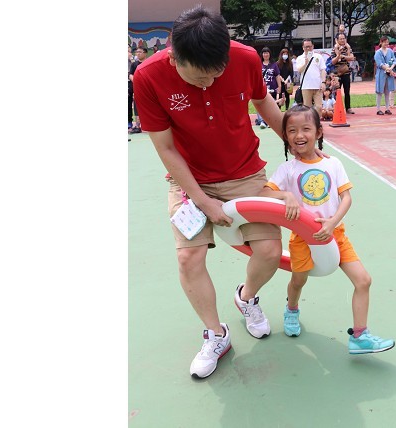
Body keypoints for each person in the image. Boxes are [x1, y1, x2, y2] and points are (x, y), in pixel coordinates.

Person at [132, 5, 287, 379]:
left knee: (269, 252)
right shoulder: (148, 76)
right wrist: (202, 201)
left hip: (245, 171)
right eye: (200, 77)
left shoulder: (245, 58)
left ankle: (246, 298)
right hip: (189, 178)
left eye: (217, 74)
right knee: (189, 258)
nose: (209, 83)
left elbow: (264, 102)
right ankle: (217, 334)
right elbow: (165, 148)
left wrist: (303, 149)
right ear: (174, 57)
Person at [258, 105, 395, 354]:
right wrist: (286, 195)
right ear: (285, 136)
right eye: (292, 130)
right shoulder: (287, 169)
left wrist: (332, 222)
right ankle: (292, 310)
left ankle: (360, 336)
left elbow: (346, 197)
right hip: (303, 237)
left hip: (335, 234)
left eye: (306, 129)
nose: (299, 135)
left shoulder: (333, 163)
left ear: (318, 132)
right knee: (298, 280)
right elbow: (265, 193)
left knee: (363, 280)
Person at [295, 39, 327, 112]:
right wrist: (305, 63)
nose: (308, 48)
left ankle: (318, 119)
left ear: (313, 46)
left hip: (317, 86)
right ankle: (309, 120)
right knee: (307, 108)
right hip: (306, 86)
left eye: (309, 46)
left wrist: (323, 82)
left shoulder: (318, 56)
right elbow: (299, 70)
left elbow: (323, 70)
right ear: (303, 47)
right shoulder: (300, 58)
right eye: (306, 47)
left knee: (319, 107)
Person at [256, 47, 282, 129]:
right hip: (262, 88)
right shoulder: (259, 64)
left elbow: (277, 76)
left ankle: (269, 121)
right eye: (264, 53)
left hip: (272, 88)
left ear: (269, 54)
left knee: (271, 104)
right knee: (260, 104)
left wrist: (279, 86)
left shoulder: (274, 65)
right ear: (262, 54)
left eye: (267, 53)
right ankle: (262, 121)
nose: (265, 55)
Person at [331, 33, 355, 114]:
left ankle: (348, 108)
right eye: (340, 39)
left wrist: (343, 56)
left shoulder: (348, 48)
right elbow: (333, 62)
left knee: (347, 91)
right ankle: (337, 108)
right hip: (337, 74)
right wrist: (338, 56)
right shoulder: (334, 49)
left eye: (343, 38)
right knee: (336, 91)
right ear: (337, 40)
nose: (342, 40)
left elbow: (351, 58)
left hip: (346, 73)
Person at [374, 36, 396, 115]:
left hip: (389, 74)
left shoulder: (390, 51)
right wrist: (387, 68)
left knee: (387, 91)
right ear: (381, 42)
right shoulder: (378, 52)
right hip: (381, 74)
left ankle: (387, 108)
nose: (386, 44)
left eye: (387, 42)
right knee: (379, 91)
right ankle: (378, 109)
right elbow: (379, 63)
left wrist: (391, 68)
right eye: (385, 42)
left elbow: (394, 60)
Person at [129, 46, 148, 134]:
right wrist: (137, 82)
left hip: (148, 88)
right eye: (137, 52)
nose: (138, 54)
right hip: (137, 89)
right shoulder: (134, 64)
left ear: (145, 53)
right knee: (137, 106)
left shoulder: (149, 62)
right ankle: (137, 126)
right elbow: (130, 75)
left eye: (140, 52)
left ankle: (150, 125)